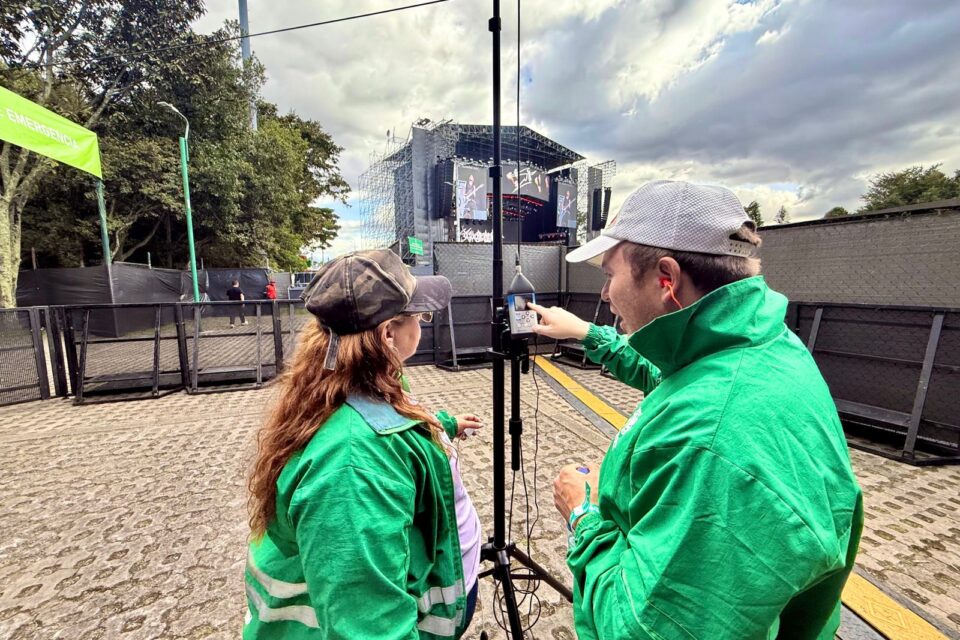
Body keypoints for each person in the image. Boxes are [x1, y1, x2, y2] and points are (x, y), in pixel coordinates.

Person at [529, 180, 863, 640]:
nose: (606, 294)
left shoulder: (710, 440)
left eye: (610, 274)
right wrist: (588, 334)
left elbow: (640, 629)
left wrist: (583, 517)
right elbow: (671, 375)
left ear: (665, 278)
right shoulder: (756, 347)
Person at [245, 249, 484, 640]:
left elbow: (392, 425)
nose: (422, 326)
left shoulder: (359, 380)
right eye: (420, 317)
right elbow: (369, 628)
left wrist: (442, 425)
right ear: (388, 333)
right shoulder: (351, 468)